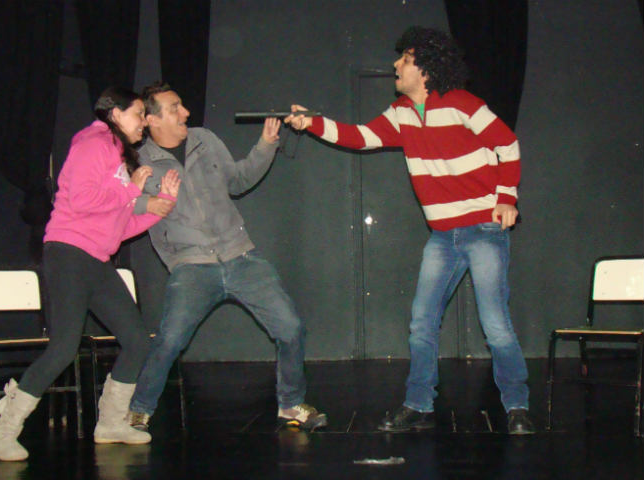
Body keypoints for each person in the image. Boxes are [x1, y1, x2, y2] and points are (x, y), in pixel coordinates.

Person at [286, 26, 534, 435]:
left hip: (483, 229)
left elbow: (507, 144)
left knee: (495, 324)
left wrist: (507, 198)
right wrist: (311, 122)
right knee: (421, 323)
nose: (395, 65)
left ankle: (517, 407)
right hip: (443, 237)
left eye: (404, 59)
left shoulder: (463, 104)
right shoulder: (400, 112)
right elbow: (360, 137)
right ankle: (418, 404)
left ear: (426, 68)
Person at [0, 86, 181, 462]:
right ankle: (3, 433)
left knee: (137, 341)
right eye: (138, 114)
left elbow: (120, 228)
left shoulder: (117, 158)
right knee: (63, 347)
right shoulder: (94, 142)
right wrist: (131, 189)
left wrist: (162, 206)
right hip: (69, 255)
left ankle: (111, 424)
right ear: (115, 114)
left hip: (97, 260)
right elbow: (82, 199)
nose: (143, 122)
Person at [127, 82, 327, 432]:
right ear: (153, 120)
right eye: (175, 108)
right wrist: (143, 198)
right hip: (191, 266)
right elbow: (123, 206)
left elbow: (238, 180)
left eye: (182, 105)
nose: (186, 112)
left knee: (291, 327)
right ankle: (139, 410)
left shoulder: (205, 140)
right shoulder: (139, 161)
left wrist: (266, 144)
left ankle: (291, 404)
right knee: (170, 340)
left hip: (239, 255)